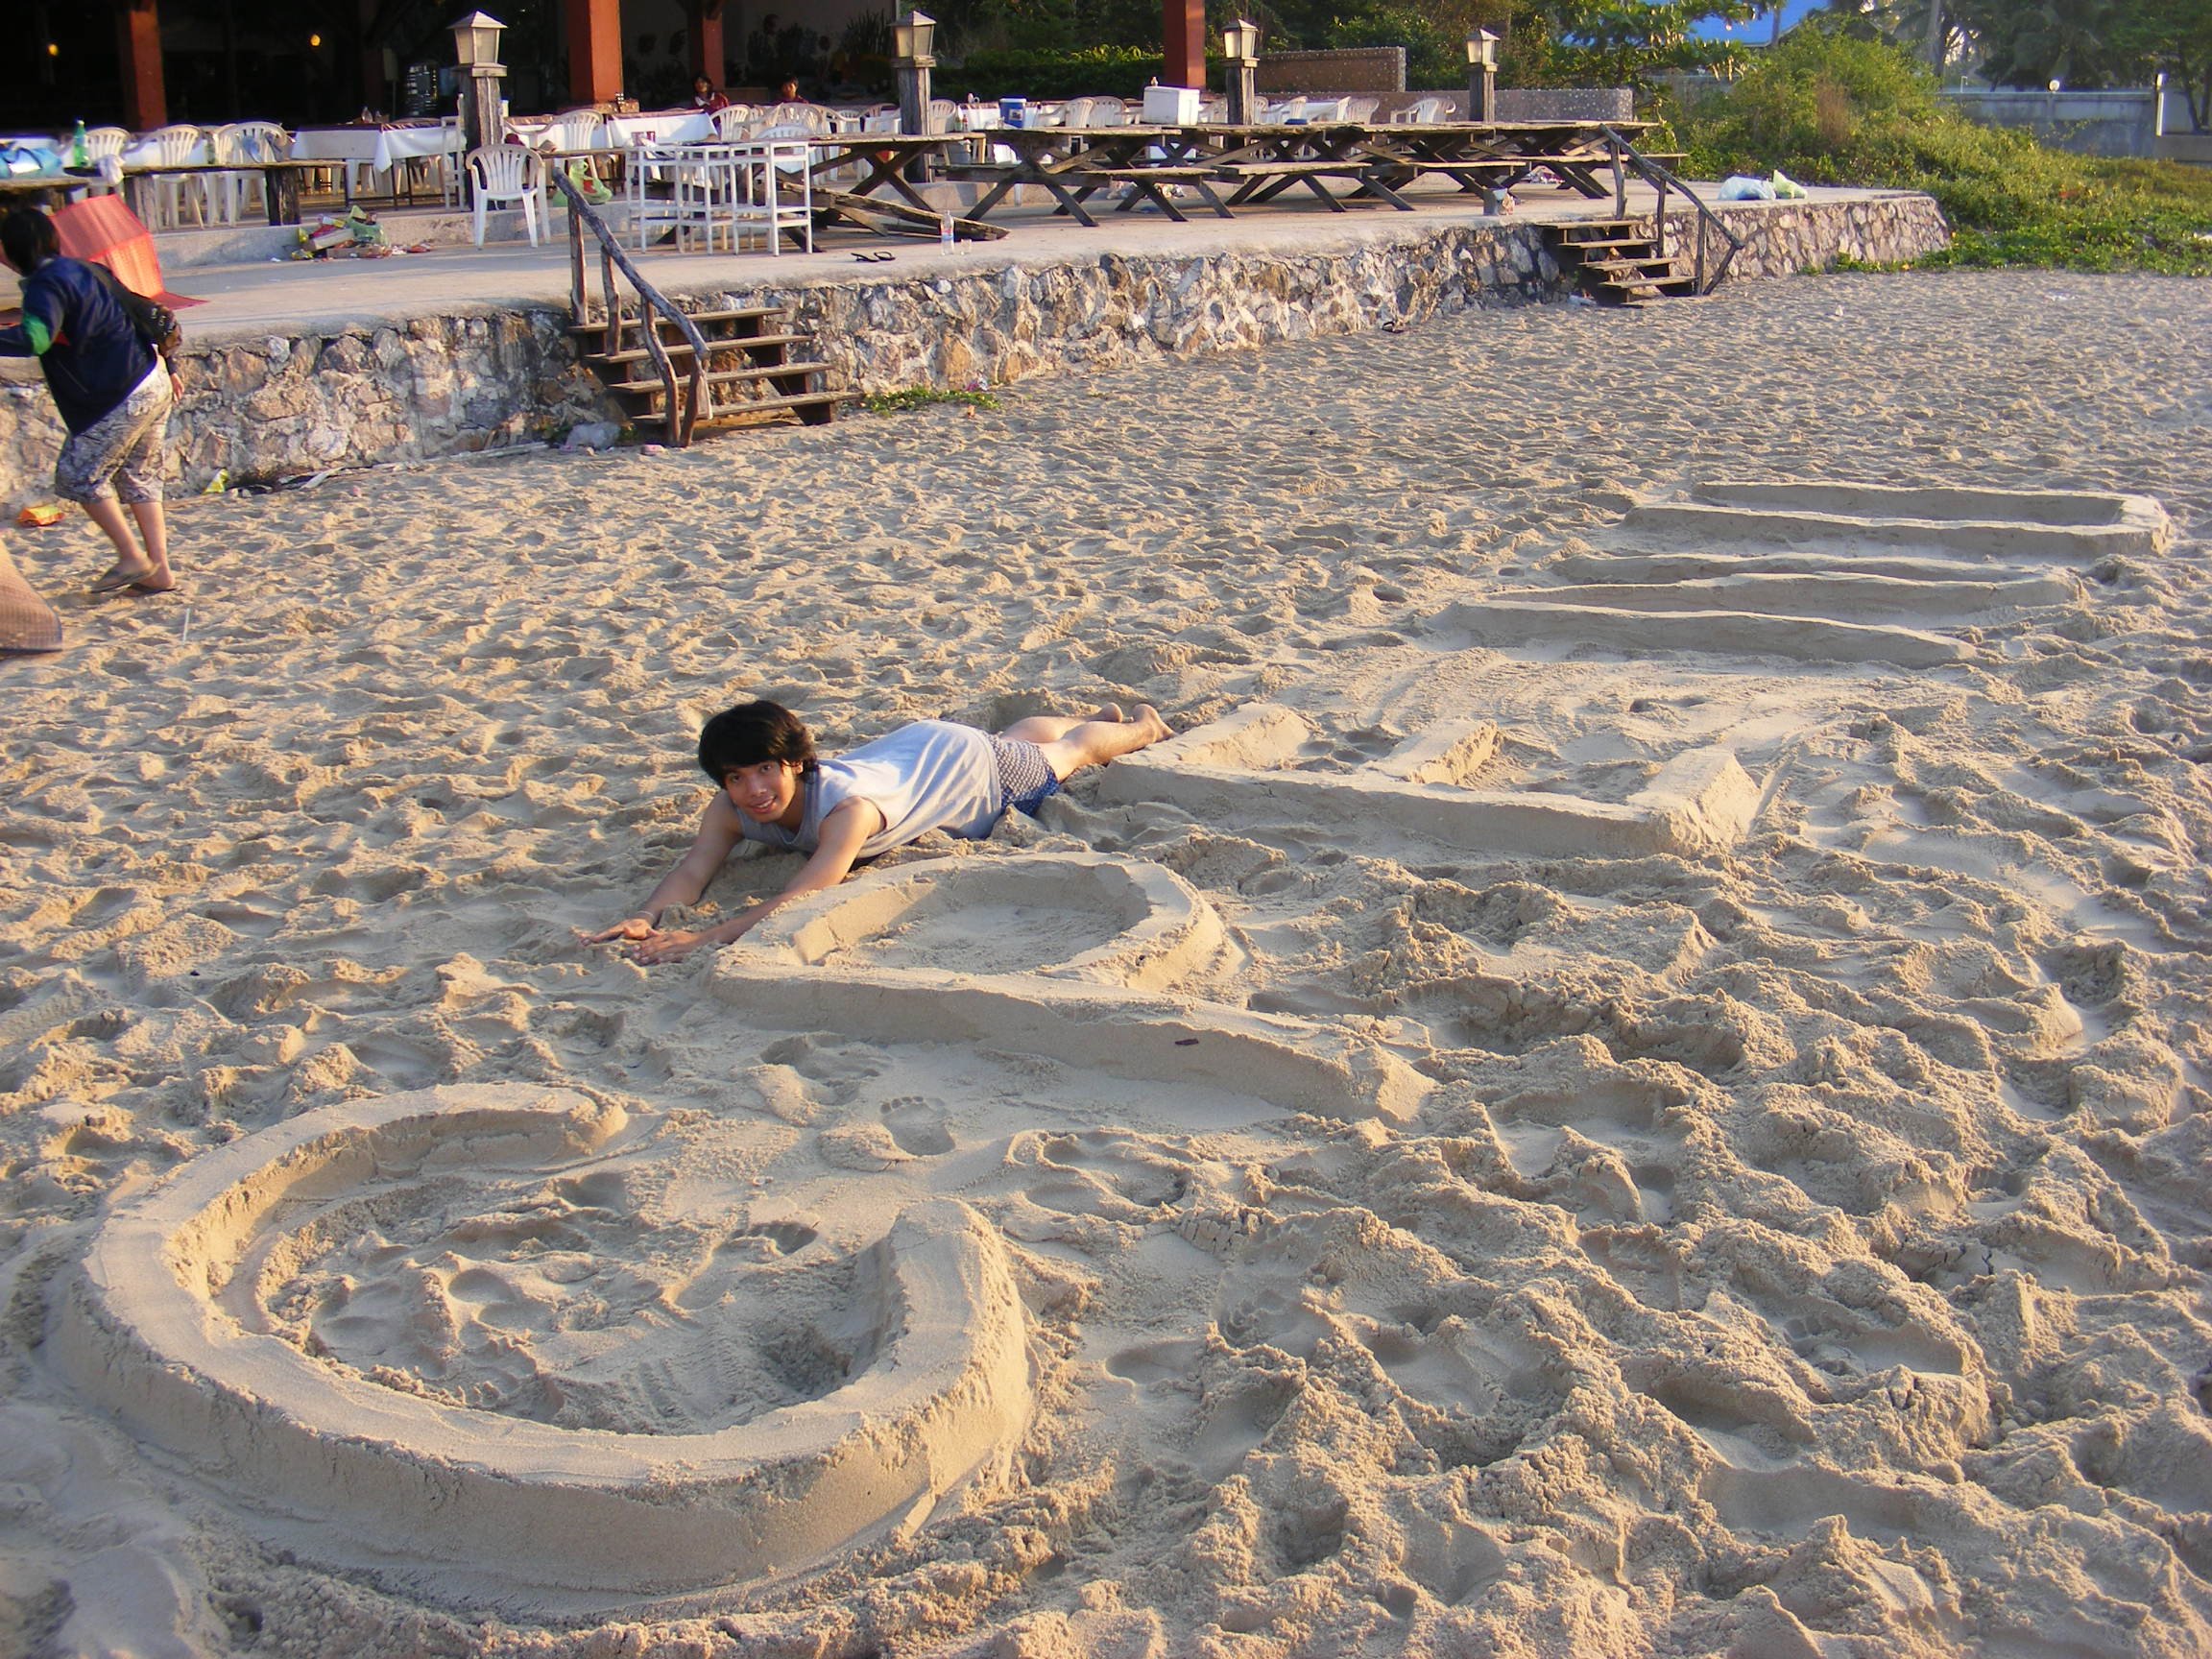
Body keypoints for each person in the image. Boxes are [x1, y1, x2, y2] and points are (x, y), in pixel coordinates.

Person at [586, 700, 1171, 963]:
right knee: (1015, 740)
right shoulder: (730, 805)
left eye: (765, 770)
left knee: (1064, 755)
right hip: (918, 748)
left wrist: (704, 938)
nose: (753, 790)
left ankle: (1141, 727)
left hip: (971, 769)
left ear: (795, 763)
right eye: (735, 777)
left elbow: (804, 895)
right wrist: (647, 915)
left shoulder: (848, 812)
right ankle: (1094, 717)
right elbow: (693, 870)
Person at [0, 206, 178, 595]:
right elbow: (140, 307)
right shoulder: (84, 269)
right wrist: (173, 364)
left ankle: (132, 556)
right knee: (140, 477)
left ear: (11, 250)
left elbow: (35, 339)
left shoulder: (45, 284)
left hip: (118, 390)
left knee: (78, 476)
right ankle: (159, 570)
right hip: (152, 378)